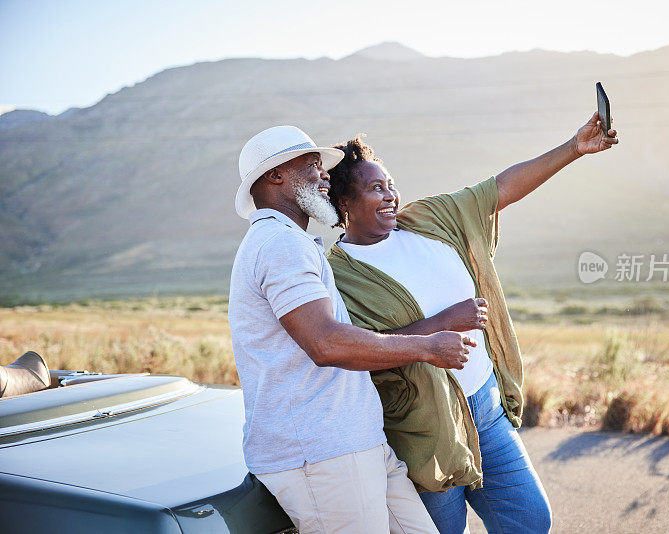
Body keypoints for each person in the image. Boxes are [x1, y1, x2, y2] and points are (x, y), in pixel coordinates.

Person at [326, 113, 619, 534]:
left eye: (390, 184)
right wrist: (443, 322)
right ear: (344, 204)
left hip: (486, 406)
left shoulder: (429, 219)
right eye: (376, 188)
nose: (390, 195)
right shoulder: (339, 275)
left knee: (530, 520)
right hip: (425, 430)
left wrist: (574, 147)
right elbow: (358, 350)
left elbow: (498, 189)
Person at [228, 125, 478, 533]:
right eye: (312, 166)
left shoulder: (292, 241)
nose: (325, 175)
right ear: (275, 177)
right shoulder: (279, 244)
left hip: (358, 441)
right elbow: (326, 344)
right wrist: (426, 346)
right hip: (321, 455)